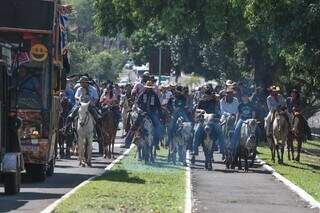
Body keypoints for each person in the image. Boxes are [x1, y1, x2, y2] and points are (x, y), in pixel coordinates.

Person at [136, 81, 162, 147]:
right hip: (143, 112)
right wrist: (139, 109)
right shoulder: (142, 94)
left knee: (158, 125)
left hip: (152, 112)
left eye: (150, 88)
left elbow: (158, 105)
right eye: (148, 88)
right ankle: (130, 140)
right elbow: (138, 102)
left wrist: (160, 114)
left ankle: (157, 141)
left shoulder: (155, 95)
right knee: (135, 124)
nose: (149, 89)